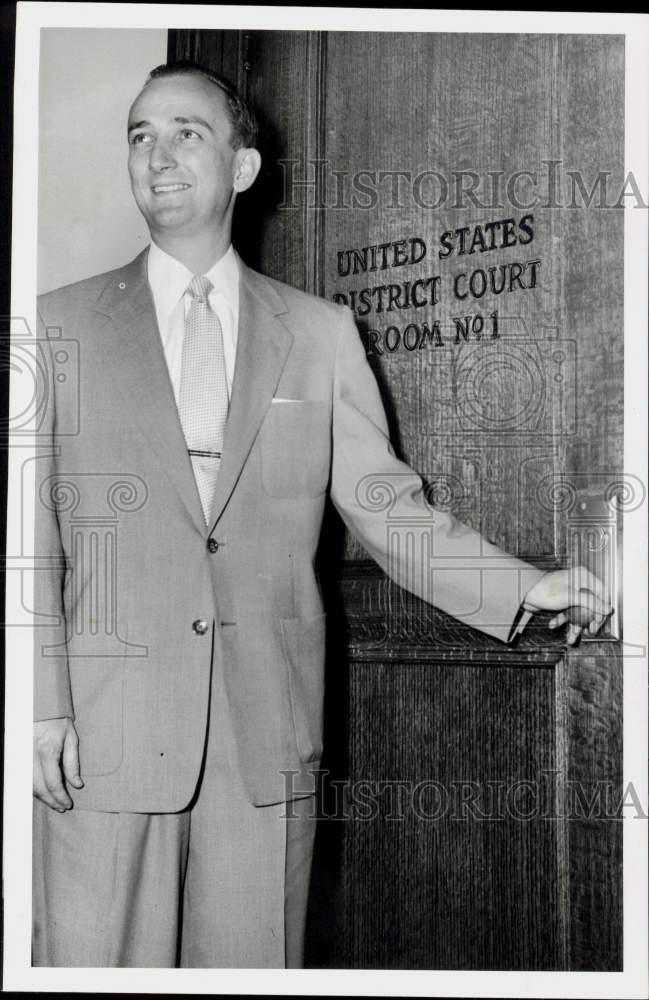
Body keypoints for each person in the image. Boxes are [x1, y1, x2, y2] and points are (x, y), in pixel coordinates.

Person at [32, 61, 611, 969]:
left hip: (266, 734)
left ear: (244, 167)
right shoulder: (52, 327)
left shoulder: (318, 333)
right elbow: (29, 538)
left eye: (186, 132)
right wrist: (39, 708)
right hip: (102, 732)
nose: (157, 154)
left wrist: (524, 585)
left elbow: (385, 506)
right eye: (139, 135)